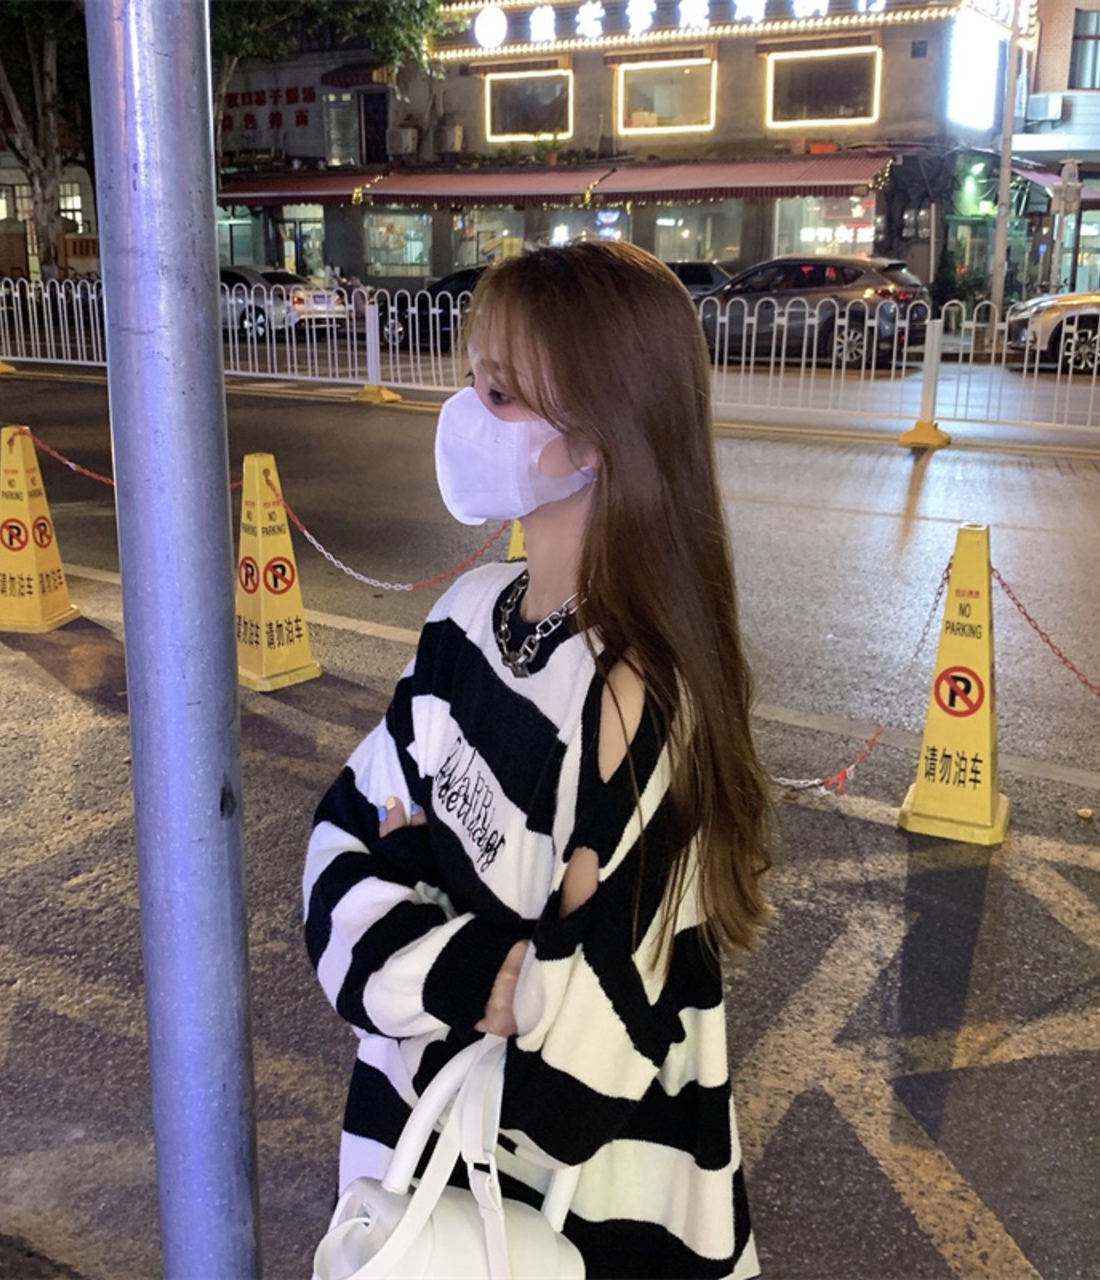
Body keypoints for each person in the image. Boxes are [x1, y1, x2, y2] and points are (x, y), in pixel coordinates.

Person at [303, 240, 772, 1280]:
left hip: (584, 1221)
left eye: (500, 392)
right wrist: (477, 968)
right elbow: (339, 844)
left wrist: (411, 933)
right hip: (418, 1185)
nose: (463, 413)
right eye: (475, 378)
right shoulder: (465, 616)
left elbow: (569, 1077)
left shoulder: (638, 702)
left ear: (600, 435)